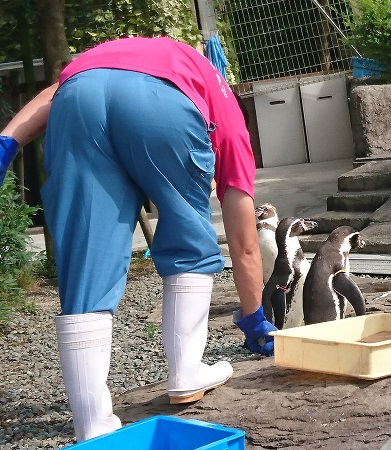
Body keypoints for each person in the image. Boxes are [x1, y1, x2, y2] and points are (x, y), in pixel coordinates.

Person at [0, 36, 279, 442]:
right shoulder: (230, 118)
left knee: (87, 260)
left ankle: (92, 426)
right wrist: (254, 316)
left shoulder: (131, 51)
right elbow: (245, 242)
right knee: (188, 235)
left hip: (77, 97)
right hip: (161, 105)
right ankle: (185, 373)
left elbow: (58, 90)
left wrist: (8, 140)